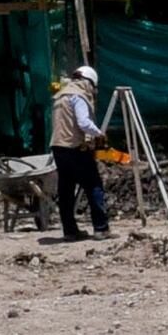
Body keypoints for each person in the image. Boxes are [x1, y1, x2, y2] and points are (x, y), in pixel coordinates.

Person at [48, 63, 109, 242]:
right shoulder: (79, 95)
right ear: (89, 82)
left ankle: (70, 231)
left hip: (58, 148)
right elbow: (83, 123)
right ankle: (101, 228)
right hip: (75, 148)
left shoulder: (60, 96)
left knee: (66, 190)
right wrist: (99, 134)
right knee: (94, 186)